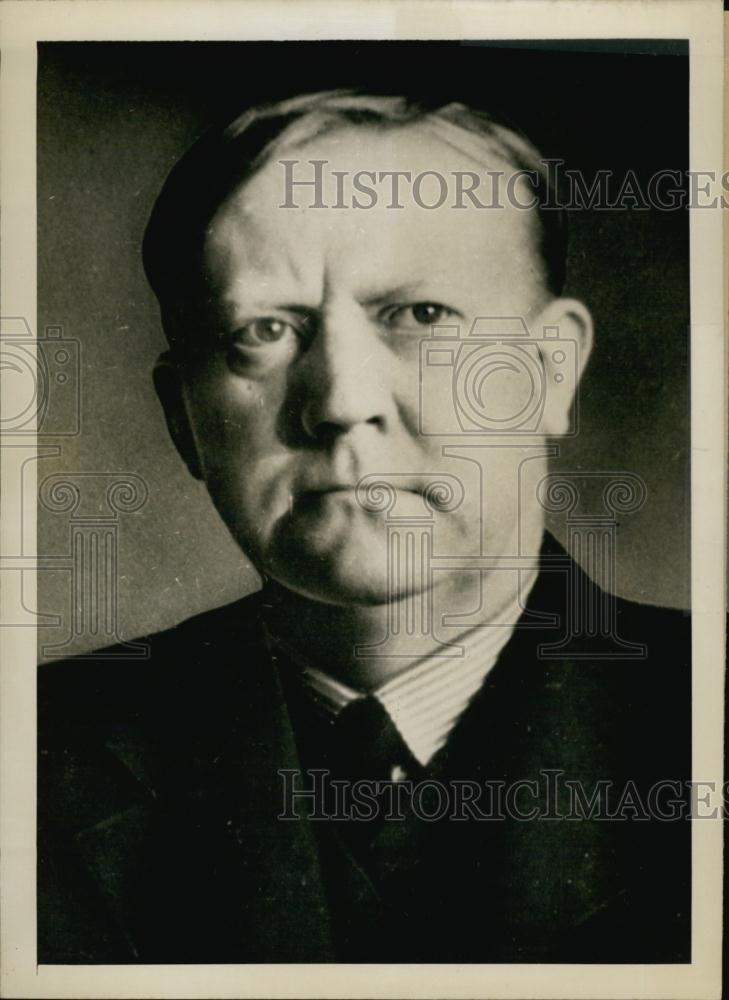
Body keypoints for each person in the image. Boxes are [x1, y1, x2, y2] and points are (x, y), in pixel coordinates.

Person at [38, 90, 690, 964]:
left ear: (548, 372)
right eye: (262, 332)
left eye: (420, 317)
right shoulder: (34, 758)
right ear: (182, 418)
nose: (343, 403)